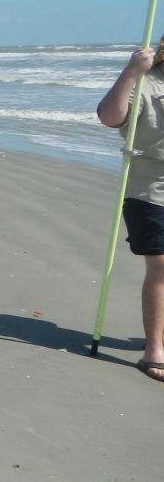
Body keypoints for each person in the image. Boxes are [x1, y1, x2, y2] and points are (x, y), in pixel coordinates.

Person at [97, 36, 164, 379]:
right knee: (162, 266)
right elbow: (109, 117)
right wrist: (130, 71)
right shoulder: (147, 81)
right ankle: (155, 348)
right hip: (149, 190)